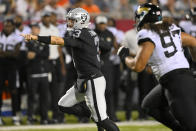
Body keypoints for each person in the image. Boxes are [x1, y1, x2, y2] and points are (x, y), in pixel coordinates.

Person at [21, 8, 120, 131]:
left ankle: (97, 116)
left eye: (72, 20)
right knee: (63, 105)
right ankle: (93, 114)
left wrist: (36, 38)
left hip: (92, 79)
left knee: (103, 120)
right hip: (83, 79)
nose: (69, 23)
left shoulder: (82, 34)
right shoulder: (88, 33)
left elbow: (57, 40)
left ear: (80, 21)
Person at [117, 3, 196, 131]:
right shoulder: (171, 27)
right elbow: (193, 42)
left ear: (143, 17)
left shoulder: (146, 33)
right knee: (149, 105)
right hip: (178, 78)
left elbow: (138, 66)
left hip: (176, 83)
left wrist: (124, 57)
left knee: (191, 127)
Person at [26, 23, 50, 125]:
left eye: (36, 29)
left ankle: (44, 117)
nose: (34, 30)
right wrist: (39, 53)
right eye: (33, 29)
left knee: (44, 98)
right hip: (33, 74)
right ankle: (30, 117)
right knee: (32, 97)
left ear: (39, 30)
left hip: (44, 73)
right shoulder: (28, 42)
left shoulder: (43, 41)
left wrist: (35, 54)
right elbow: (27, 55)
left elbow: (47, 55)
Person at [0, 19, 22, 125]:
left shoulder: (17, 37)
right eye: (6, 26)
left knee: (14, 91)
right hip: (1, 67)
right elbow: (12, 53)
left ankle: (15, 116)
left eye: (9, 26)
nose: (7, 28)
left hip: (12, 67)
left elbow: (16, 54)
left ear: (13, 27)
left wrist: (3, 53)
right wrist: (9, 53)